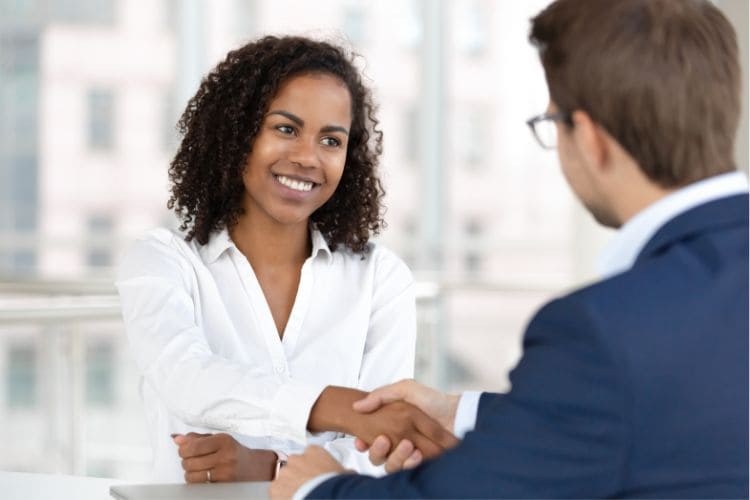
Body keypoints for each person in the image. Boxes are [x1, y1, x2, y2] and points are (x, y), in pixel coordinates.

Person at [271, 0, 749, 497]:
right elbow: (654, 404)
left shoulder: (604, 331)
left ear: (588, 139)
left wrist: (314, 488)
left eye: (552, 125)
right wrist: (459, 411)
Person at [116, 35, 456, 483]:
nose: (306, 158)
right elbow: (186, 379)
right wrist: (340, 410)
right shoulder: (163, 262)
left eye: (331, 140)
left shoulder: (380, 278)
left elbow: (383, 450)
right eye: (286, 129)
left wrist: (273, 467)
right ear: (237, 134)